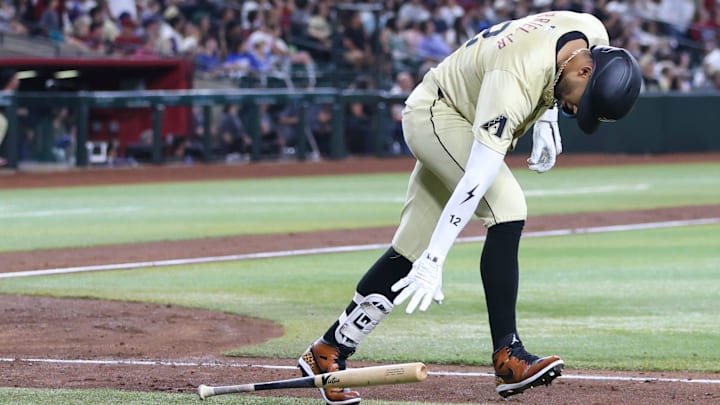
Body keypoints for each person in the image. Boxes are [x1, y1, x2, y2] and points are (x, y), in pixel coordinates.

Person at [297, 10, 642, 404]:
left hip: (460, 106)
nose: (581, 112)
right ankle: (508, 356)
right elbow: (476, 178)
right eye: (588, 102)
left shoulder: (591, 33)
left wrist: (547, 116)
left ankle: (327, 351)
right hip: (440, 116)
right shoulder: (515, 78)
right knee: (507, 207)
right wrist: (437, 258)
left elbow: (553, 55)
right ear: (584, 72)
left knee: (409, 249)